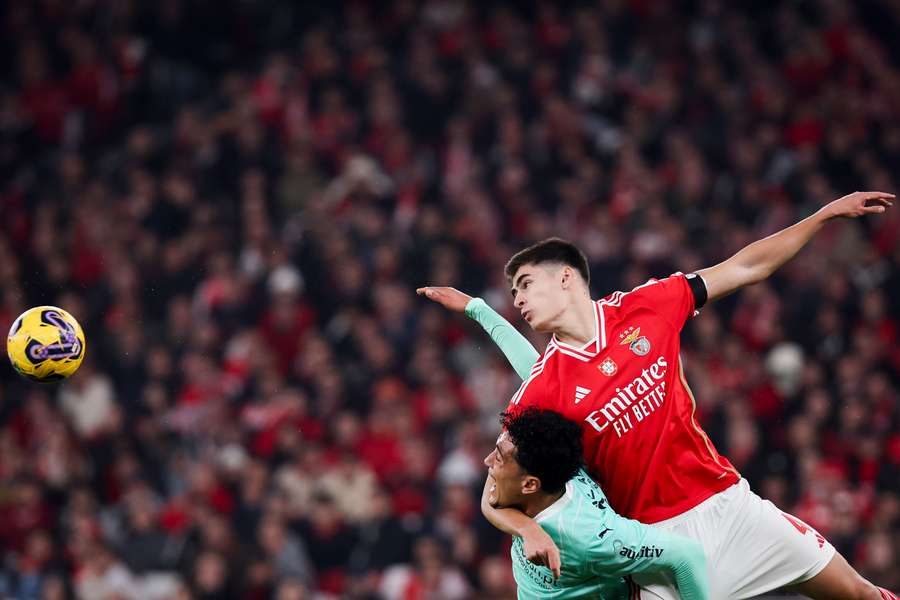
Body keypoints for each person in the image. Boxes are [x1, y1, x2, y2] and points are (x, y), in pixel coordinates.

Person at [418, 190, 899, 600]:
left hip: (729, 504)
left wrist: (824, 214)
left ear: (565, 276)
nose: (518, 299)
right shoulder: (543, 389)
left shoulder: (649, 306)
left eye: (525, 284)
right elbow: (494, 495)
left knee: (857, 592)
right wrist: (527, 528)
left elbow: (745, 267)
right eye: (513, 292)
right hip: (655, 552)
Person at [485, 406, 708, 599]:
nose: (487, 461)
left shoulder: (590, 537)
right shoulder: (542, 464)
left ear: (530, 485)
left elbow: (687, 557)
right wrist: (530, 530)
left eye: (498, 458)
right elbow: (538, 376)